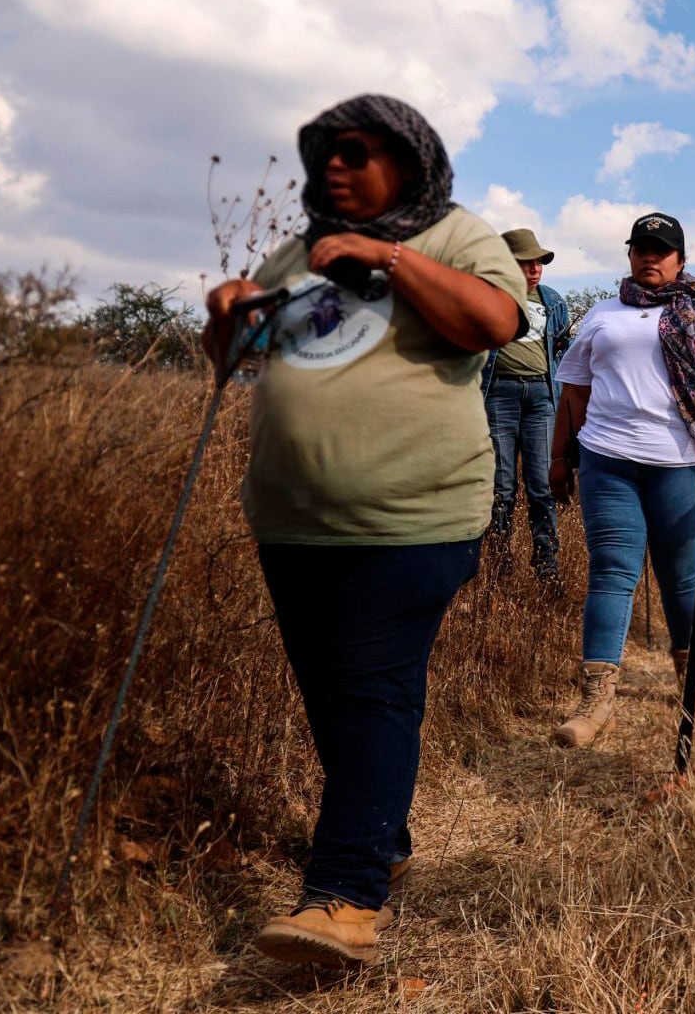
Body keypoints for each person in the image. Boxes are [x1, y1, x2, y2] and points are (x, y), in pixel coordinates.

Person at [201, 94, 525, 967]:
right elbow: (238, 361)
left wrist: (386, 254)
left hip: (413, 518)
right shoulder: (298, 251)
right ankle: (381, 833)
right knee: (332, 694)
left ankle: (343, 899)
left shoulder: (454, 233)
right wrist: (227, 312)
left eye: (354, 151)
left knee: (371, 688)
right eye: (322, 156)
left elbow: (494, 324)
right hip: (293, 520)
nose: (333, 168)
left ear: (409, 160)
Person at [548, 213, 695, 748]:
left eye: (661, 250)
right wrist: (558, 459)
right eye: (641, 248)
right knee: (611, 571)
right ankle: (596, 700)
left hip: (683, 465)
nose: (650, 257)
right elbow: (574, 393)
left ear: (681, 260)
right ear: (630, 254)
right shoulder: (602, 315)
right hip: (608, 461)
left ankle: (692, 683)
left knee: (683, 583)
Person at [481, 228, 569, 579]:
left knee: (541, 484)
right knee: (501, 486)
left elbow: (561, 351)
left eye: (538, 262)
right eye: (525, 263)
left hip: (541, 398)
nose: (534, 269)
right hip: (498, 395)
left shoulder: (553, 301)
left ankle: (547, 564)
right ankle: (499, 565)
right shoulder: (490, 297)